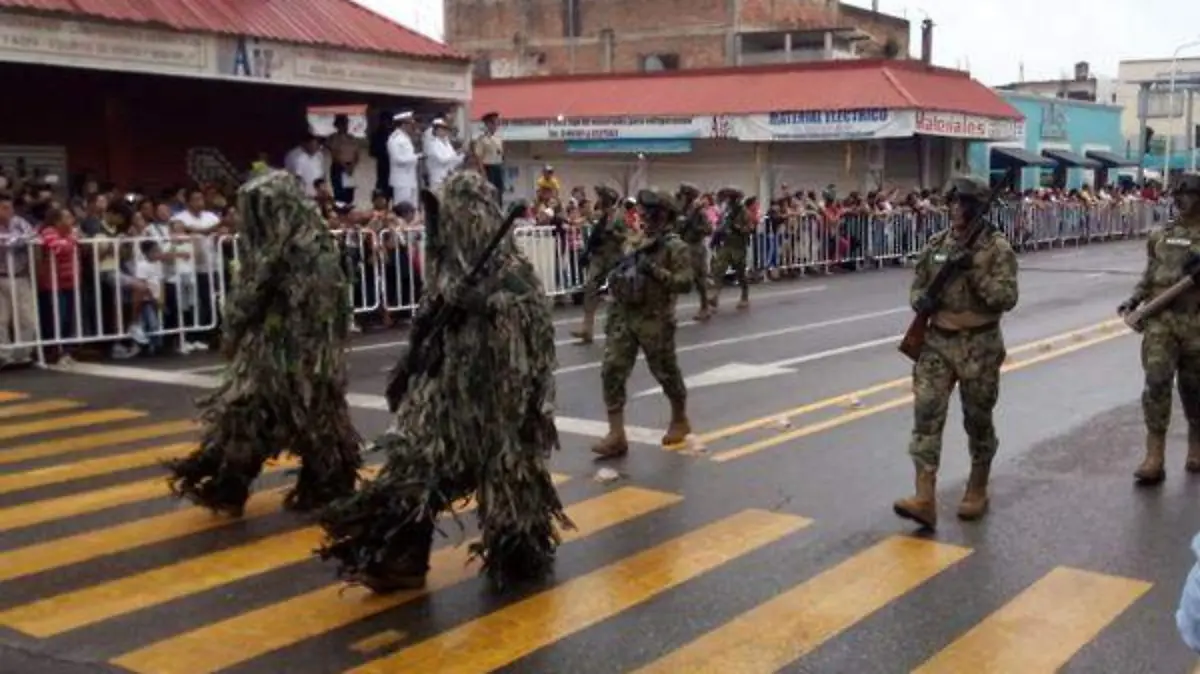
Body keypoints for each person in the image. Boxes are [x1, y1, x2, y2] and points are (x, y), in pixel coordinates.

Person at [318, 170, 570, 593]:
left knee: (510, 487)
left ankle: (519, 561)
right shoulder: (447, 266)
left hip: (499, 403)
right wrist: (411, 369)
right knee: (414, 472)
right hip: (445, 398)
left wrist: (486, 304)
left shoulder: (510, 269)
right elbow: (428, 327)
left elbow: (535, 335)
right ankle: (401, 560)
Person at [165, 170, 362, 516]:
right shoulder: (308, 241)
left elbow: (255, 297)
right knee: (278, 416)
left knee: (276, 416)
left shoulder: (289, 246)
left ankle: (246, 485)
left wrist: (235, 330)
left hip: (290, 355)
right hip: (295, 354)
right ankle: (241, 484)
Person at [893, 175, 1018, 530]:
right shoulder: (937, 244)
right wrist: (923, 300)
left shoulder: (997, 248)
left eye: (963, 203)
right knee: (926, 415)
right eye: (953, 202)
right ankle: (924, 498)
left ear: (978, 207)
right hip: (937, 343)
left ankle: (977, 486)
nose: (956, 209)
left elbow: (1006, 298)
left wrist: (973, 272)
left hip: (979, 343)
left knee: (977, 419)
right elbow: (917, 288)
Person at [591, 189, 694, 459]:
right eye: (644, 213)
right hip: (624, 315)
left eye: (651, 213)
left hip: (654, 318)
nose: (645, 218)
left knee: (666, 372)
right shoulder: (634, 242)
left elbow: (685, 283)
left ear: (664, 216)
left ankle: (680, 418)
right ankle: (616, 434)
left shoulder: (675, 247)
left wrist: (657, 272)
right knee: (612, 369)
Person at [1119, 172, 1200, 485]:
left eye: (1189, 194)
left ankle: (1196, 443)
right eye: (1178, 195)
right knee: (1156, 382)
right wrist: (1134, 300)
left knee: (1194, 389)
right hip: (1161, 321)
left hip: (1195, 322)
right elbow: (1151, 274)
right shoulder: (1161, 235)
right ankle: (1155, 455)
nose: (1181, 200)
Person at [571, 186, 624, 343]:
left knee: (618, 294)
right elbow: (593, 236)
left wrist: (613, 233)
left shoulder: (618, 217)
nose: (599, 200)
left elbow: (626, 236)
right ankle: (587, 329)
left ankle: (621, 329)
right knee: (590, 288)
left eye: (602, 197)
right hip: (599, 257)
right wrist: (587, 253)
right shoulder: (599, 216)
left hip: (613, 258)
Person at [708, 187, 753, 311]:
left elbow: (749, 228)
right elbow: (720, 224)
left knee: (740, 273)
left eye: (731, 197)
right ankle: (715, 296)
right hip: (726, 245)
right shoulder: (727, 210)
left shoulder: (743, 211)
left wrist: (738, 228)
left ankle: (745, 296)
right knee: (719, 269)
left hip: (738, 246)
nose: (729, 199)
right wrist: (716, 238)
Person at [676, 182, 714, 321]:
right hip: (681, 246)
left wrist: (697, 228)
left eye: (684, 195)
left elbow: (709, 229)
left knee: (699, 279)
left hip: (695, 248)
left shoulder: (699, 213)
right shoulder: (682, 211)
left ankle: (705, 307)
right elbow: (678, 226)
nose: (682, 198)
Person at [387, 111, 421, 206]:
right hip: (401, 180)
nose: (412, 127)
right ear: (403, 125)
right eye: (410, 124)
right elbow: (398, 159)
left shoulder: (406, 137)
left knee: (412, 207)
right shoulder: (395, 138)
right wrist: (416, 157)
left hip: (410, 178)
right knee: (402, 207)